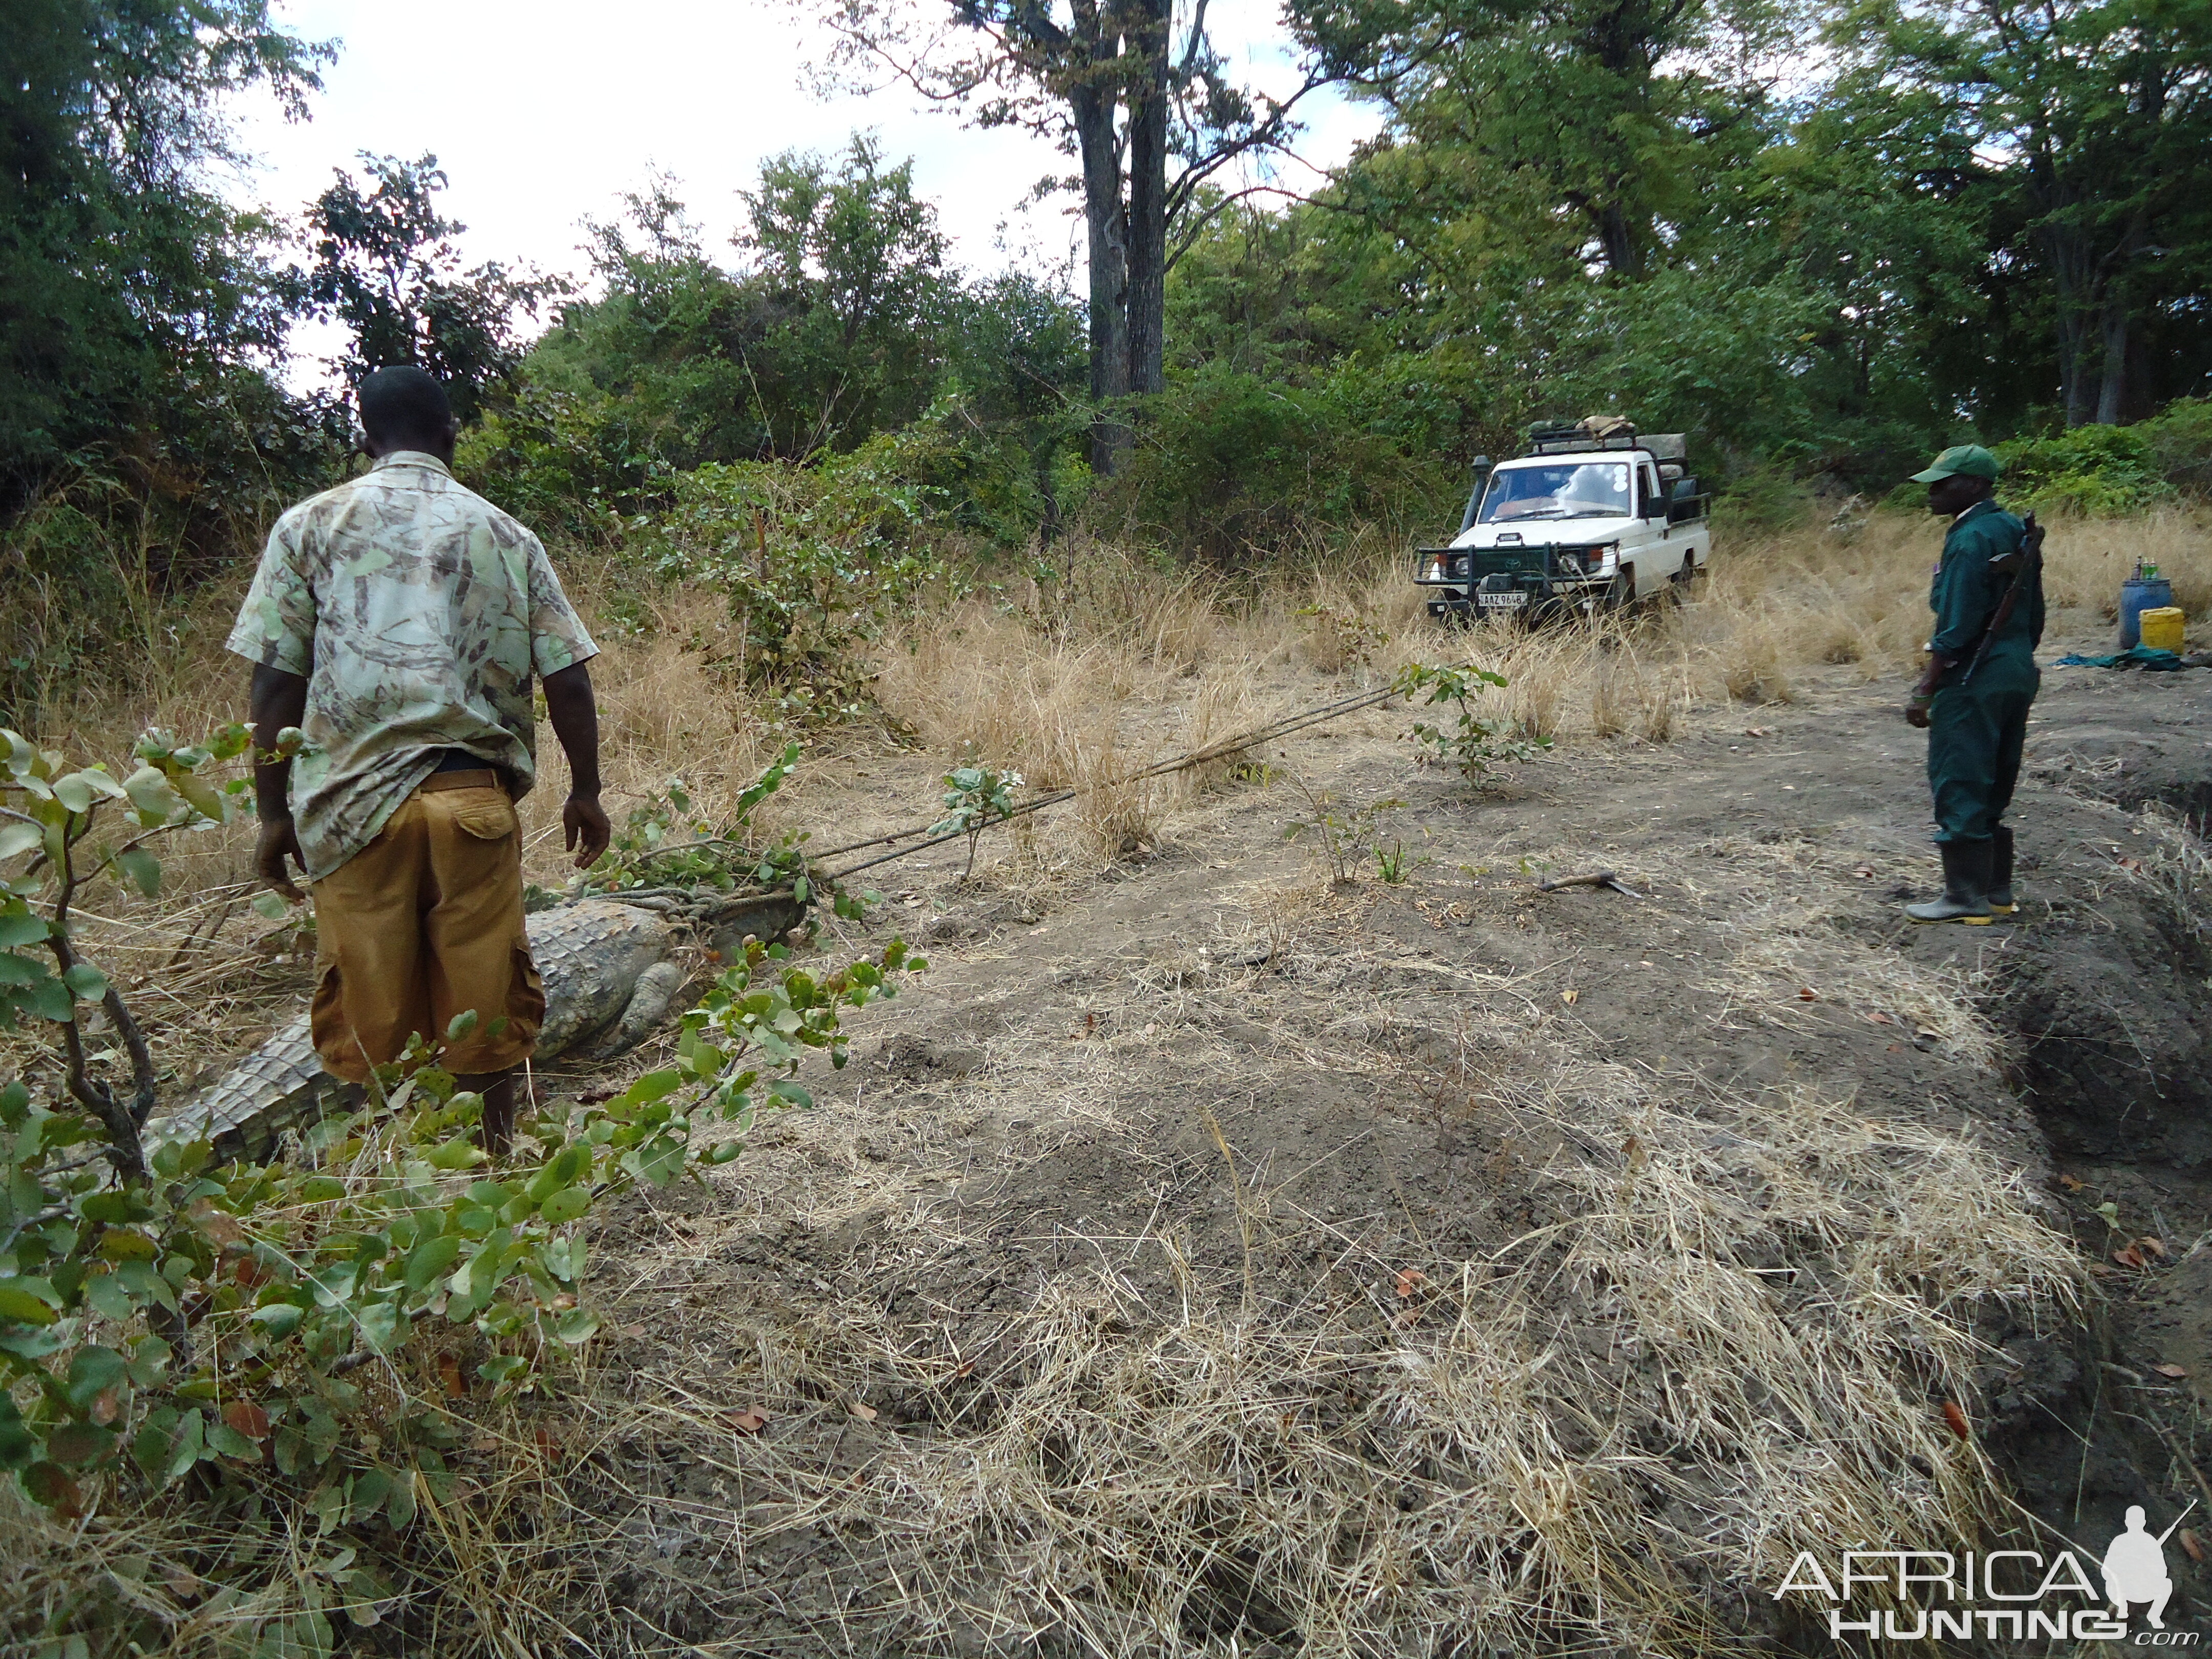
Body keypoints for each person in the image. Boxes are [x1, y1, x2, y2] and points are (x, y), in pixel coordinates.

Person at [229, 365, 611, 1151]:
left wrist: (273, 815)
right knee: (486, 1015)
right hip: (471, 802)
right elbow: (568, 679)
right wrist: (586, 791)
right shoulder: (506, 533)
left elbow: (275, 683)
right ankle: (492, 1171)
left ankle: (387, 1184)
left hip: (352, 812)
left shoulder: (308, 527)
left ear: (366, 438)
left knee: (368, 1026)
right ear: (451, 436)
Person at [1901, 444, 2043, 924]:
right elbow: (2035, 613)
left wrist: (1927, 686)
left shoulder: (1968, 539)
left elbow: (1957, 627)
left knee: (1960, 775)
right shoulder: (2011, 529)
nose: (1933, 491)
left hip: (1974, 674)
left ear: (1976, 485)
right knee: (1997, 772)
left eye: (1945, 482)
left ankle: (1964, 898)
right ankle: (1996, 892)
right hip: (2016, 668)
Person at [2101, 1505, 2174, 1629]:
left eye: (2138, 1521)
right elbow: (2107, 1568)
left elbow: (2163, 1570)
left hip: (2144, 1587)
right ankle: (2114, 1621)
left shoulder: (2150, 1542)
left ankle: (2154, 1616)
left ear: (2144, 1523)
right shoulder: (2120, 1541)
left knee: (2167, 1584)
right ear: (2127, 1522)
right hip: (2121, 1587)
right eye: (2132, 1521)